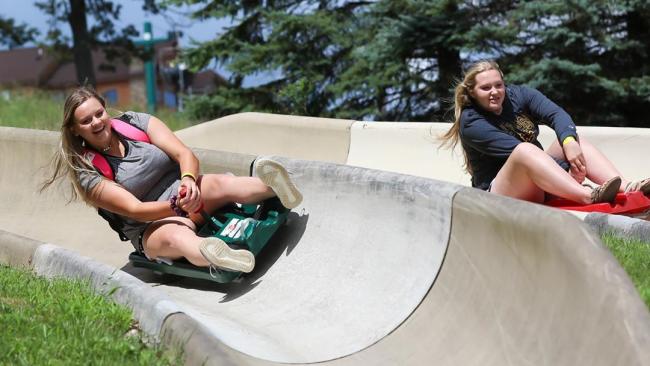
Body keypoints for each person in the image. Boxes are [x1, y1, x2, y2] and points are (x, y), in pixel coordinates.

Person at [41, 87, 303, 273]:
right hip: (153, 224)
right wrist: (177, 207)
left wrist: (188, 181)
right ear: (75, 130)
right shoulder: (87, 172)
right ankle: (217, 254)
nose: (97, 122)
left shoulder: (136, 123)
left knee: (218, 184)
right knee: (177, 236)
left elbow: (183, 153)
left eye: (99, 113)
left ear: (105, 110)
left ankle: (273, 186)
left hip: (186, 194)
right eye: (86, 121)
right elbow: (136, 210)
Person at [441, 60, 650, 204]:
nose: (495, 92)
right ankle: (588, 195)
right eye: (486, 88)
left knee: (571, 141)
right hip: (498, 197)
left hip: (539, 184)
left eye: (499, 85)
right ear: (472, 93)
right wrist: (568, 174)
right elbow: (523, 155)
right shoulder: (471, 122)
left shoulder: (519, 95)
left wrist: (569, 142)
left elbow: (556, 114)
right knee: (524, 150)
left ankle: (627, 187)